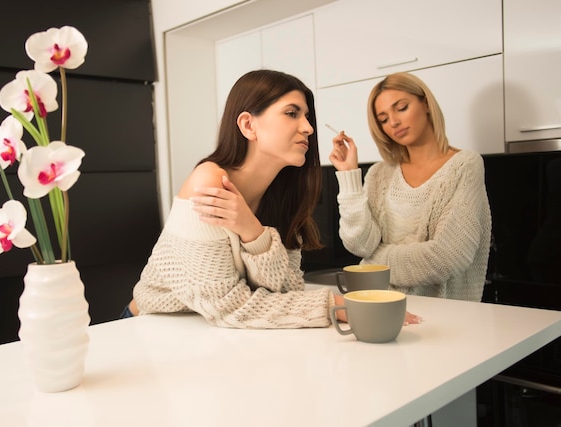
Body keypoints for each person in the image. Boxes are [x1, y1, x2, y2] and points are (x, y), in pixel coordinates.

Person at [123, 69, 342, 328]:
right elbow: (228, 307)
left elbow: (287, 289)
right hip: (148, 329)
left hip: (211, 335)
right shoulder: (208, 182)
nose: (308, 127)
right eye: (292, 113)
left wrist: (253, 232)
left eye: (306, 116)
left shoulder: (283, 194)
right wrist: (331, 305)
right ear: (248, 125)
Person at [329, 72, 492, 302]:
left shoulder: (465, 165)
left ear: (425, 103)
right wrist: (348, 177)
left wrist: (375, 261)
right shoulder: (379, 174)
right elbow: (360, 245)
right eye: (383, 119)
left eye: (401, 107)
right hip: (381, 308)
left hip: (446, 318)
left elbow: (448, 257)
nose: (394, 122)